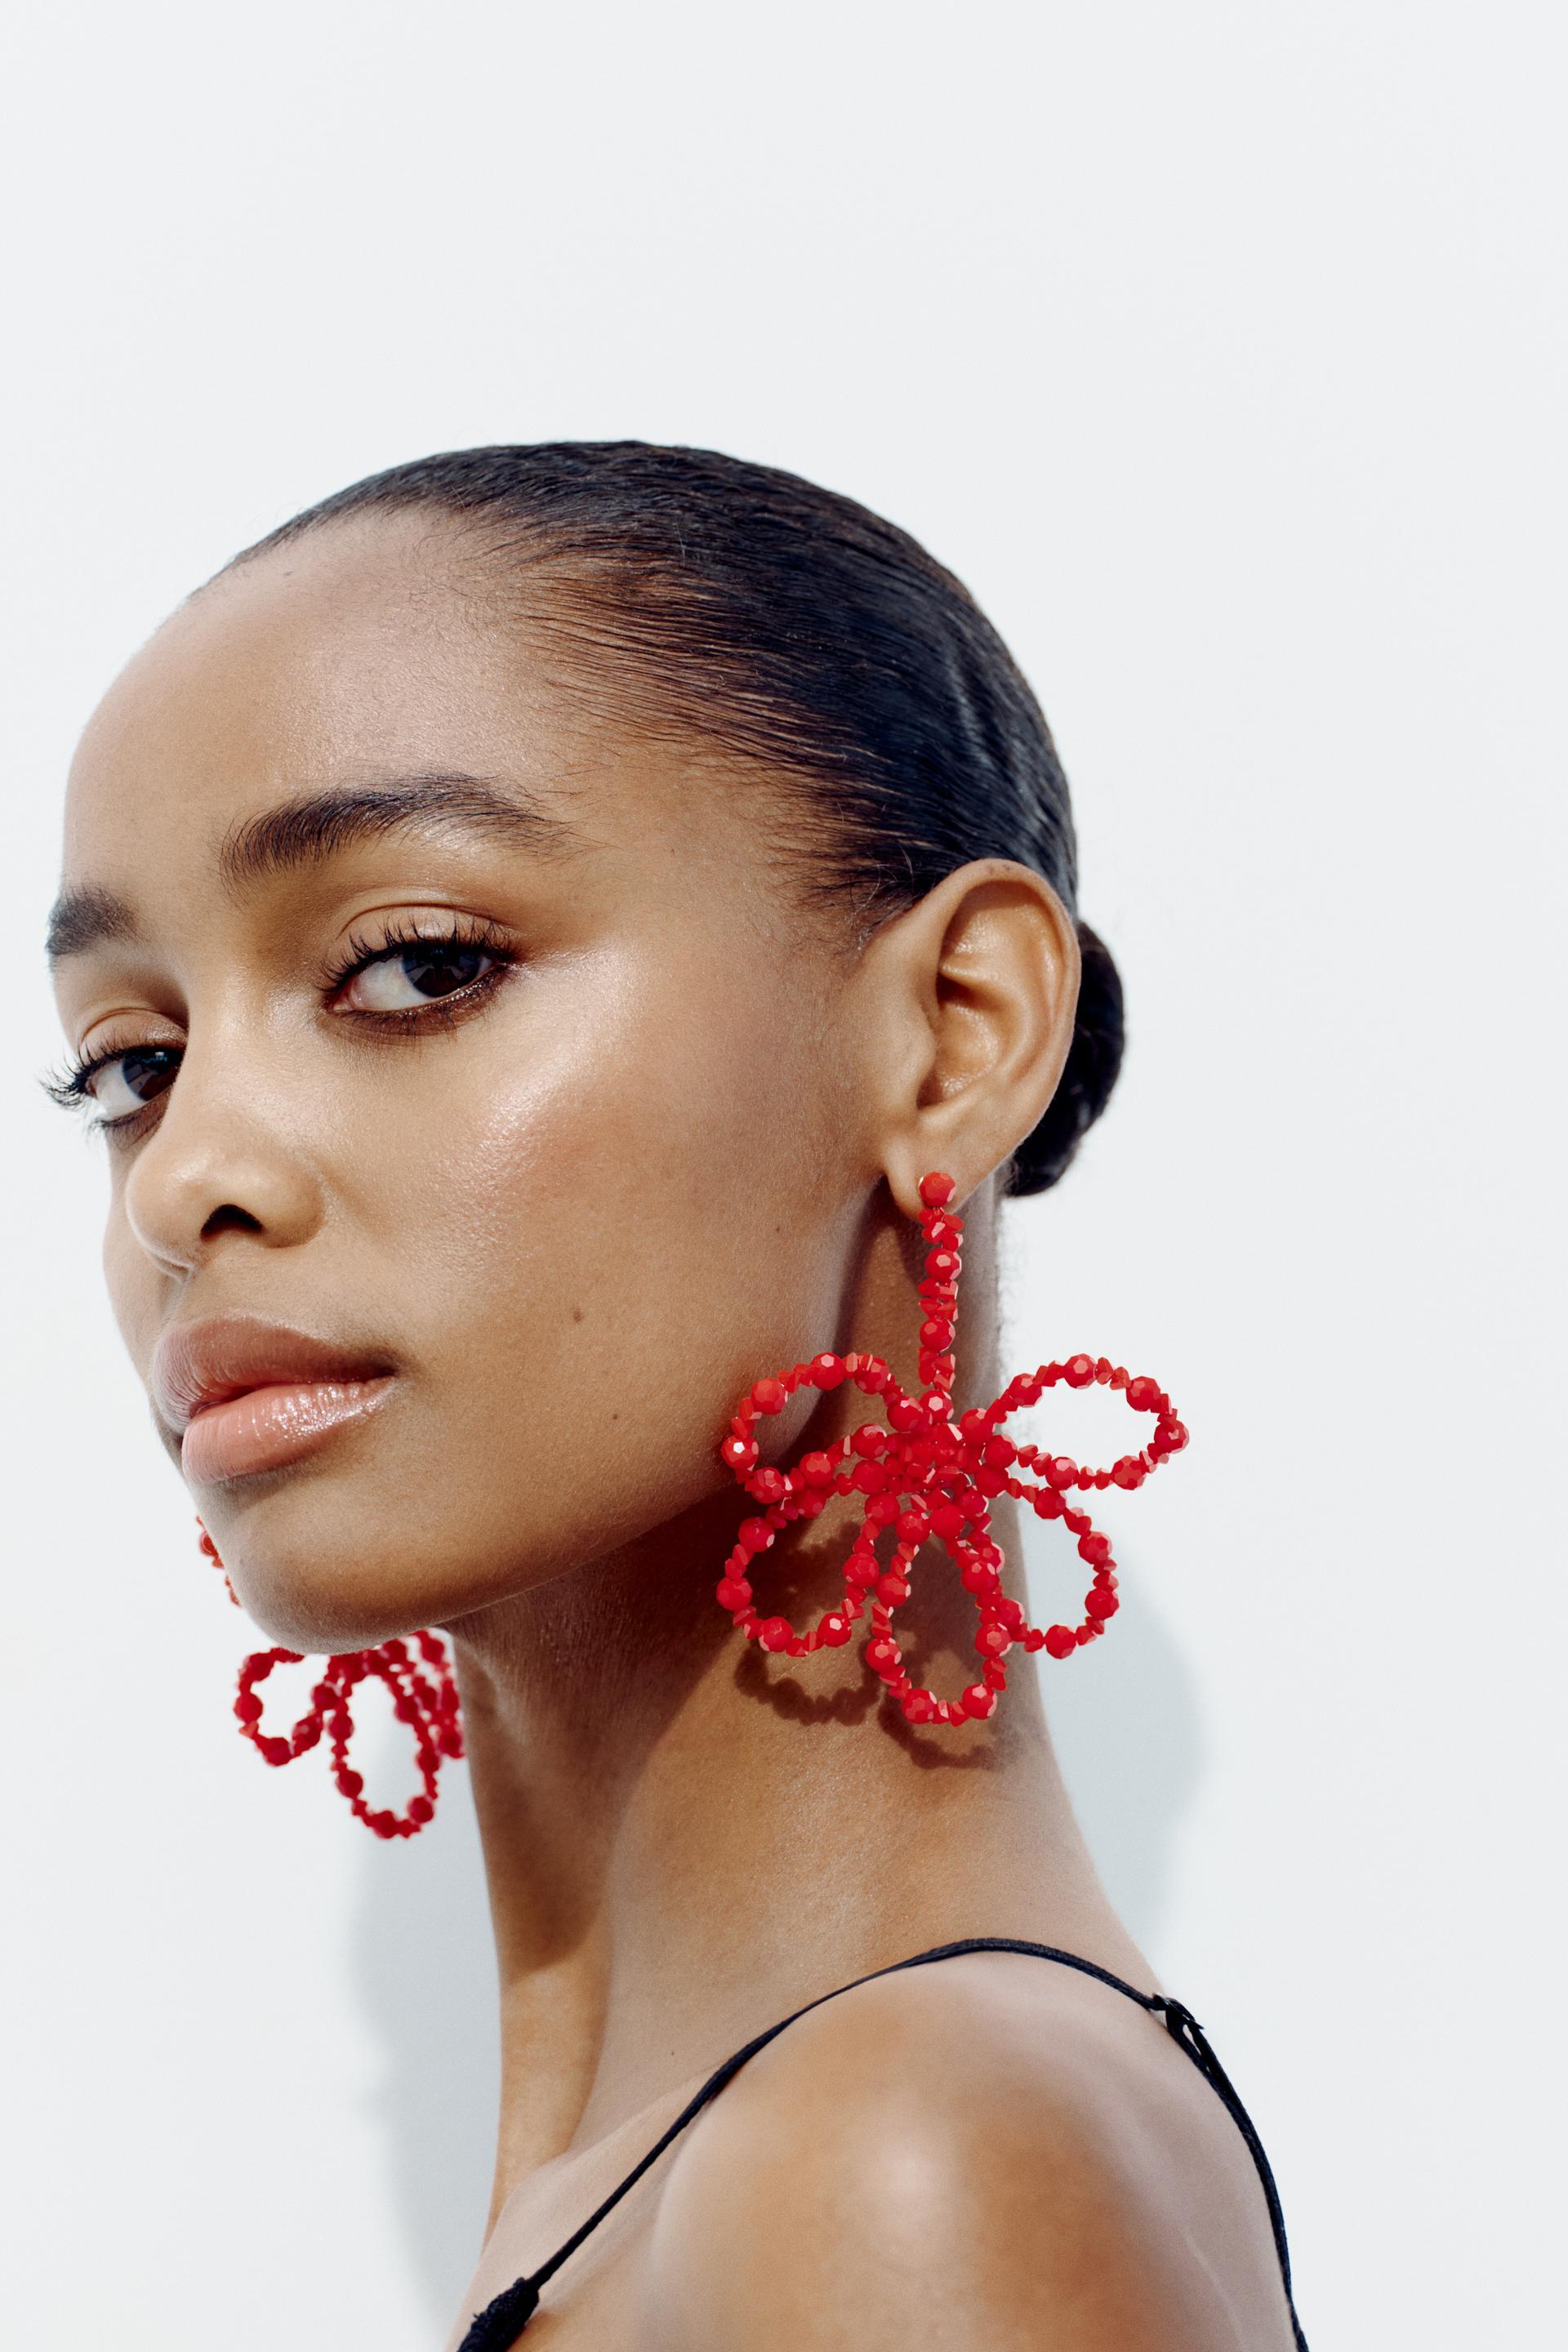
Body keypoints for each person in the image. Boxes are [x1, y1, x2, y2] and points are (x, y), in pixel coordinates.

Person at [45, 442, 1307, 2350]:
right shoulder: (711, 2172)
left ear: (956, 1034)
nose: (183, 1178)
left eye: (416, 966)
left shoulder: (901, 2167)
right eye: (130, 1064)